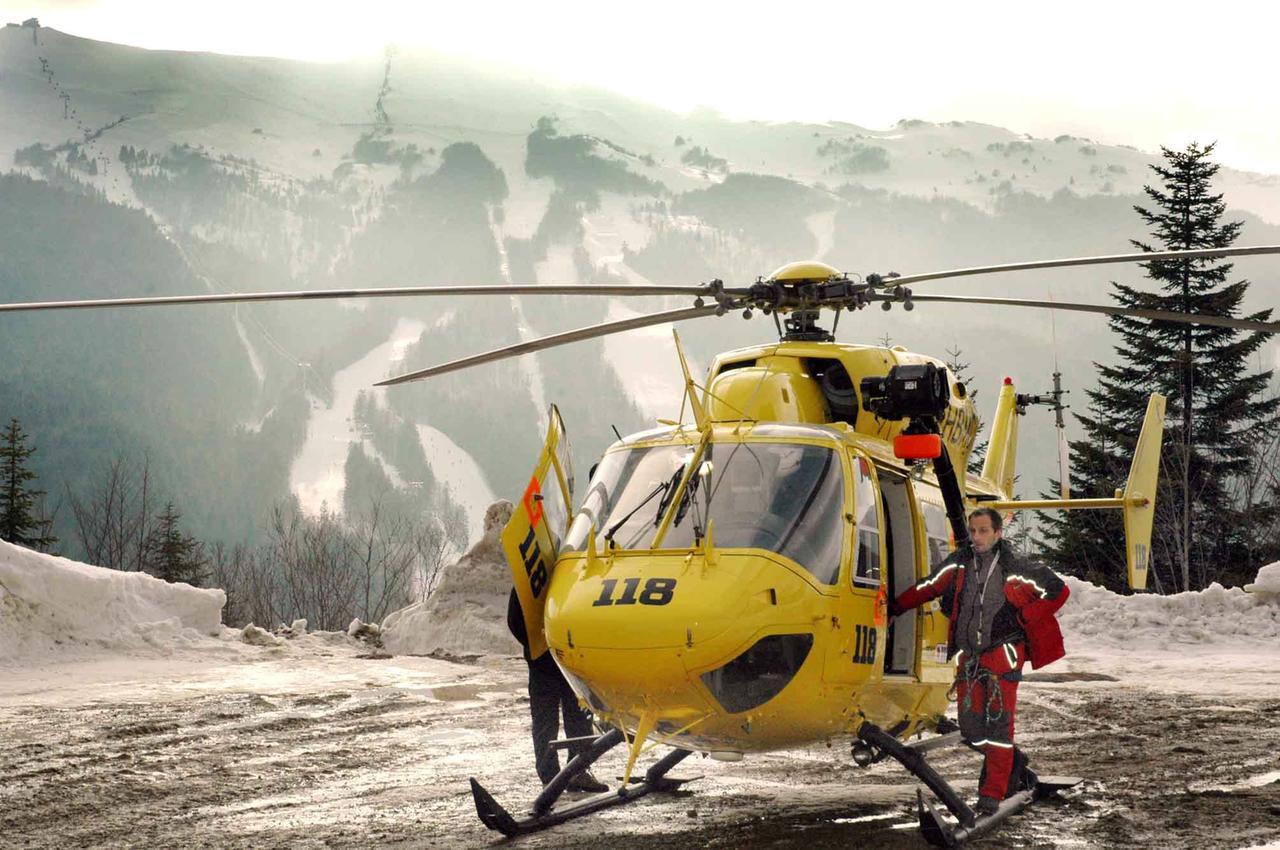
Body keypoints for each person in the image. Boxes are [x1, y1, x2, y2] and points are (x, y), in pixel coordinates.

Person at [888, 507, 1069, 816]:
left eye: (983, 531)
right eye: (973, 531)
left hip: (1003, 659)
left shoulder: (1016, 566)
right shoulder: (959, 564)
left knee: (999, 730)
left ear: (998, 533)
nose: (976, 537)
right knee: (972, 731)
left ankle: (991, 796)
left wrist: (1025, 616)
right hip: (969, 660)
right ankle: (1012, 765)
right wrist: (895, 606)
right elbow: (928, 586)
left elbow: (1058, 591)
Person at [507, 589, 608, 792]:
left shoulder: (574, 575)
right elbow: (515, 620)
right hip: (544, 665)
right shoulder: (531, 579)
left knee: (579, 717)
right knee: (546, 722)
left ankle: (577, 770)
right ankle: (550, 777)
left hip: (572, 661)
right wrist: (534, 644)